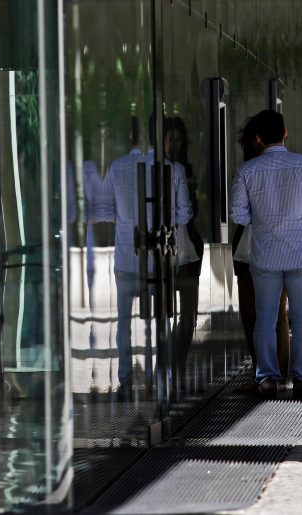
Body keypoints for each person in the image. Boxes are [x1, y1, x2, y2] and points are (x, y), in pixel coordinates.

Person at [229, 109, 302, 399]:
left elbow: (238, 214)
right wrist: (301, 216)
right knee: (301, 319)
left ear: (259, 138)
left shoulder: (247, 172)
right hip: (301, 255)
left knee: (264, 319)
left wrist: (263, 220)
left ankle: (267, 379)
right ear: (285, 133)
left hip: (265, 258)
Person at [93, 115, 193, 400]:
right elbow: (184, 213)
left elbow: (103, 210)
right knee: (162, 320)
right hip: (159, 262)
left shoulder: (117, 167)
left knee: (124, 321)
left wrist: (125, 219)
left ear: (129, 137)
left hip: (126, 257)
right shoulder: (173, 171)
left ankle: (125, 379)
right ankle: (163, 376)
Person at [232, 117, 290, 393]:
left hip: (263, 248)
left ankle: (273, 375)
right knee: (254, 315)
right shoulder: (249, 169)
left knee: (271, 314)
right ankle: (264, 373)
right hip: (249, 248)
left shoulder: (277, 168)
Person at [163, 117, 203, 395]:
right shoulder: (161, 170)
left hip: (188, 251)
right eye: (170, 139)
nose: (174, 145)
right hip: (166, 253)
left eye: (178, 139)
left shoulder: (184, 169)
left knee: (188, 316)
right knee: (166, 315)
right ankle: (166, 369)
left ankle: (178, 367)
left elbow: (192, 212)